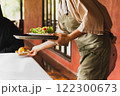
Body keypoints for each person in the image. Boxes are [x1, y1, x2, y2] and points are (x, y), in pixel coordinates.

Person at [28, 0, 117, 80]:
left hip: (98, 49)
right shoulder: (61, 6)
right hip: (86, 51)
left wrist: (69, 37)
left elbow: (94, 20)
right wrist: (37, 48)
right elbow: (60, 36)